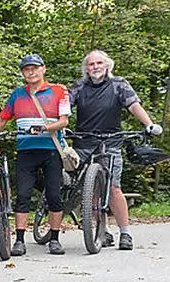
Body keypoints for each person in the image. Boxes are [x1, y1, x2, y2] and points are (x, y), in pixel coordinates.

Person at [70, 50, 163, 250]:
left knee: (113, 188)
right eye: (91, 64)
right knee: (91, 190)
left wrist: (149, 124)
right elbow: (65, 107)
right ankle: (101, 231)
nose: (95, 67)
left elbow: (133, 105)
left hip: (111, 142)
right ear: (86, 68)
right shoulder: (79, 86)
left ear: (107, 65)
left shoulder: (118, 84)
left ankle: (125, 233)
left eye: (99, 63)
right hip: (84, 143)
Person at [0, 54, 70, 256]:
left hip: (52, 150)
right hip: (26, 150)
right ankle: (19, 240)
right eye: (27, 69)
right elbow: (2, 119)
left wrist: (44, 128)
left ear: (43, 69)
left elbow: (64, 121)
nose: (31, 72)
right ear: (22, 73)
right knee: (23, 195)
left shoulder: (59, 91)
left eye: (34, 68)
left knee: (53, 194)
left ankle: (54, 239)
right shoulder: (17, 94)